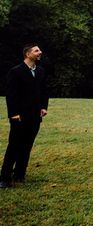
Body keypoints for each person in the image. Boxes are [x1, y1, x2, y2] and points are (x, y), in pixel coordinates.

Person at [1, 44, 48, 189]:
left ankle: (20, 174)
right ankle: (4, 178)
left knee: (27, 145)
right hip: (19, 116)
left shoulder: (40, 71)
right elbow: (11, 94)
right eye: (36, 50)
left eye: (39, 50)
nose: (40, 52)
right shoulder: (16, 72)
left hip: (34, 116)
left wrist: (43, 107)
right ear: (28, 54)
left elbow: (44, 90)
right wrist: (13, 114)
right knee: (14, 145)